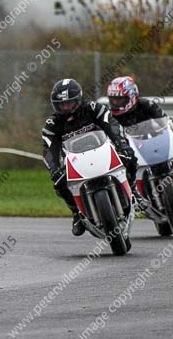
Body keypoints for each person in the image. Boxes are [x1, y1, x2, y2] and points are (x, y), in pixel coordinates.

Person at [41, 78, 137, 236]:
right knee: (59, 183)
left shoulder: (92, 108)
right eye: (61, 104)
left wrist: (121, 145)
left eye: (69, 103)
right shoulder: (52, 123)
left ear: (78, 99)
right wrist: (54, 169)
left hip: (103, 151)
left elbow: (111, 124)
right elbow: (49, 150)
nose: (65, 107)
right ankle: (76, 213)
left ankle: (133, 190)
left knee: (130, 158)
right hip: (74, 161)